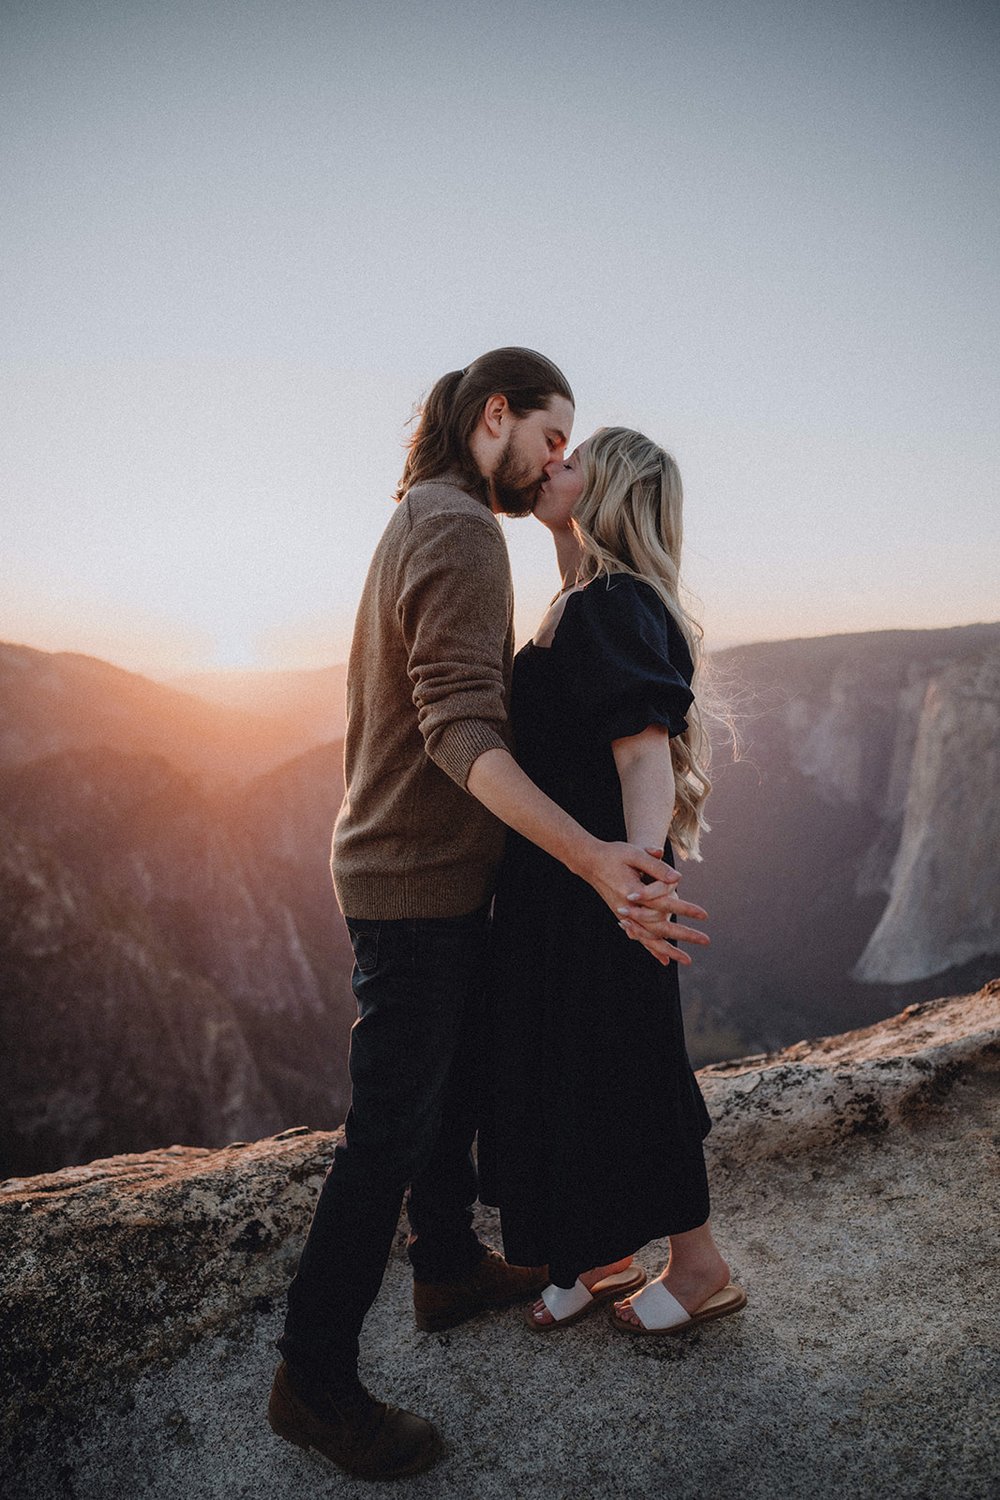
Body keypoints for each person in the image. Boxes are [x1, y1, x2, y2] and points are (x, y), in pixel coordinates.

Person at [267, 353, 706, 1481]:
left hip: (407, 869)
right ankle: (314, 1379)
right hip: (413, 877)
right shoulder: (462, 531)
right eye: (550, 436)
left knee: (451, 1085)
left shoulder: (426, 511)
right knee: (391, 1131)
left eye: (571, 453)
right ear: (494, 416)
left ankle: (449, 1263)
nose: (558, 459)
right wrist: (600, 861)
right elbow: (462, 730)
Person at [479, 426, 746, 1336]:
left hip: (605, 880)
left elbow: (643, 755)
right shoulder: (579, 598)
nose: (552, 464)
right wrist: (562, 527)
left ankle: (700, 1264)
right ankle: (599, 1255)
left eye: (573, 459)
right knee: (566, 1064)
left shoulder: (615, 603)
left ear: (613, 492)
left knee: (633, 1069)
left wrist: (637, 886)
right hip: (563, 879)